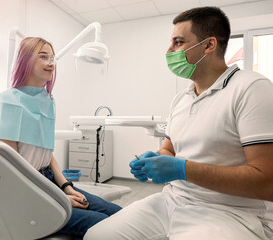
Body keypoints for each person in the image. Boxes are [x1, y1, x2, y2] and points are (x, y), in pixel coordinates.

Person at [84, 6, 273, 240]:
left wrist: (181, 169)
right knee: (97, 236)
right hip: (173, 199)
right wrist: (152, 161)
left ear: (208, 45)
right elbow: (169, 149)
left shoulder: (251, 89)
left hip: (232, 212)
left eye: (178, 42)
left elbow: (267, 182)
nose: (169, 50)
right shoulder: (181, 99)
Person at [0, 37, 121, 237]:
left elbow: (47, 151)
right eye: (43, 57)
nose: (51, 62)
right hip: (27, 191)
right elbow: (12, 170)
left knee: (119, 215)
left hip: (49, 181)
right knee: (105, 225)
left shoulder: (48, 100)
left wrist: (66, 186)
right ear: (25, 61)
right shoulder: (8, 101)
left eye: (52, 57)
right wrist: (58, 198)